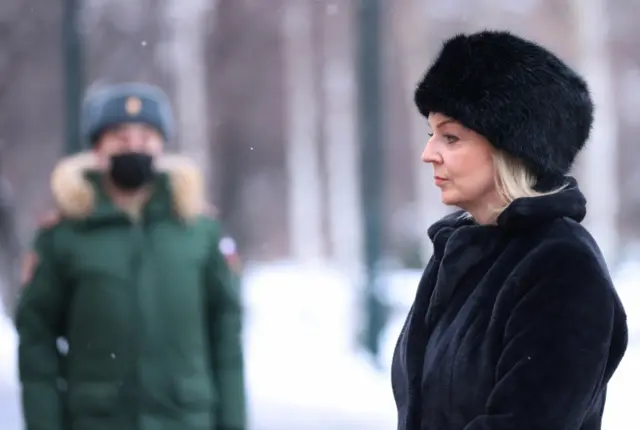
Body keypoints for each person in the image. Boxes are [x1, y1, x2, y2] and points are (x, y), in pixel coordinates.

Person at [391, 30, 628, 430]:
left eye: (450, 137)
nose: (428, 153)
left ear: (511, 147)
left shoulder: (562, 266)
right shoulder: (460, 251)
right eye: (431, 134)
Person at [16, 82, 246, 430]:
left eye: (146, 137)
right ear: (97, 148)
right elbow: (37, 339)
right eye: (120, 137)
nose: (134, 145)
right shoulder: (64, 235)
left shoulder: (198, 231)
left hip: (186, 419)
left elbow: (226, 336)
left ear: (162, 146)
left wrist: (233, 422)